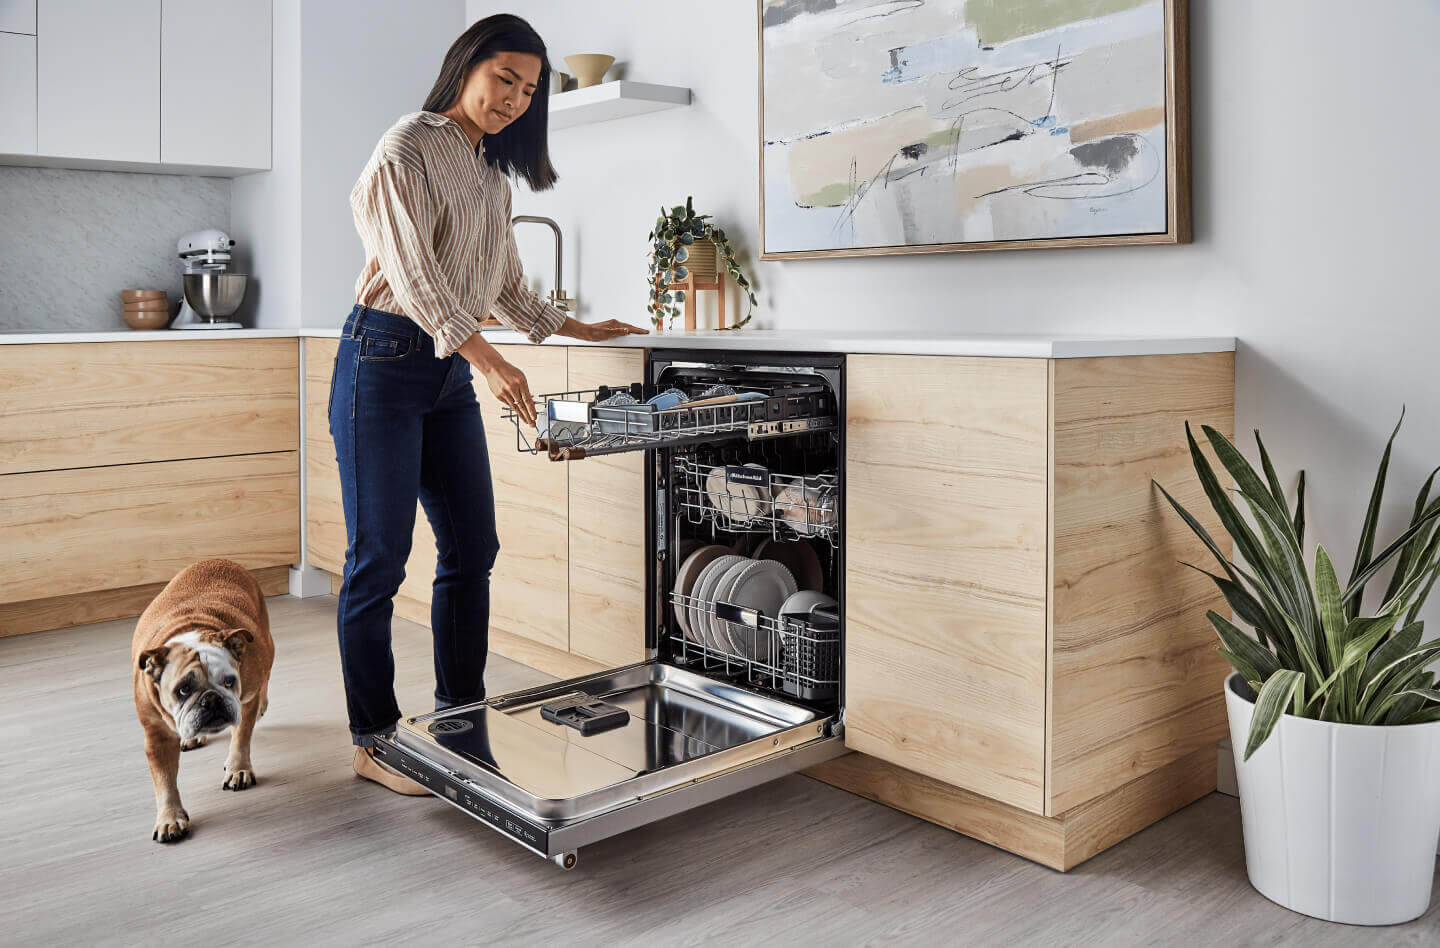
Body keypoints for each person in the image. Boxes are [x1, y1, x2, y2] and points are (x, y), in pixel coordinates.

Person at [329, 13, 646, 794]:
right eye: (504, 78)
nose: (513, 99)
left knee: (474, 551)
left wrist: (571, 325)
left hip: (443, 375)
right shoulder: (408, 145)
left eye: (529, 90)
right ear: (467, 65)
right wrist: (491, 359)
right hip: (382, 359)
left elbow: (499, 281)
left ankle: (456, 718)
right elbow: (414, 277)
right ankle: (372, 741)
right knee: (380, 562)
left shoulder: (489, 173)